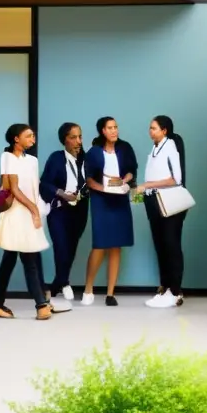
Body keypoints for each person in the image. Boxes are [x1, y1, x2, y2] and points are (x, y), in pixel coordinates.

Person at [0, 124, 59, 320]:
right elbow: (14, 189)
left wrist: (37, 211)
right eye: (28, 136)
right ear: (16, 139)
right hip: (15, 214)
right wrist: (34, 210)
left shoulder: (33, 160)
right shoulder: (7, 157)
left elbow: (34, 189)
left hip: (29, 214)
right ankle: (41, 305)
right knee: (28, 258)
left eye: (33, 136)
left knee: (10, 260)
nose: (32, 139)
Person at [81, 116, 137, 306]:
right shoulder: (94, 152)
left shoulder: (125, 147)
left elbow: (131, 170)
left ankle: (110, 293)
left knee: (116, 244)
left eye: (116, 127)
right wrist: (104, 189)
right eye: (110, 128)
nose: (114, 131)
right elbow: (88, 179)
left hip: (120, 198)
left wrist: (125, 181)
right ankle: (88, 288)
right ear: (102, 131)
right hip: (101, 199)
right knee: (100, 244)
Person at [135, 115, 188, 308]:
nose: (150, 131)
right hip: (153, 201)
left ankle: (175, 291)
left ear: (164, 130)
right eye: (150, 128)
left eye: (154, 128)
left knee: (171, 245)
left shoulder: (171, 146)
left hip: (168, 202)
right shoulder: (155, 148)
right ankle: (165, 287)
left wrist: (148, 184)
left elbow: (176, 179)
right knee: (160, 245)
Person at [38, 122, 89, 302]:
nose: (78, 141)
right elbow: (44, 184)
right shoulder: (56, 158)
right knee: (61, 247)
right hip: (59, 210)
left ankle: (56, 285)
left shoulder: (84, 158)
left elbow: (91, 180)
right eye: (73, 137)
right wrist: (62, 194)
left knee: (71, 248)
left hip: (80, 210)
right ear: (64, 140)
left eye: (80, 136)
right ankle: (64, 282)